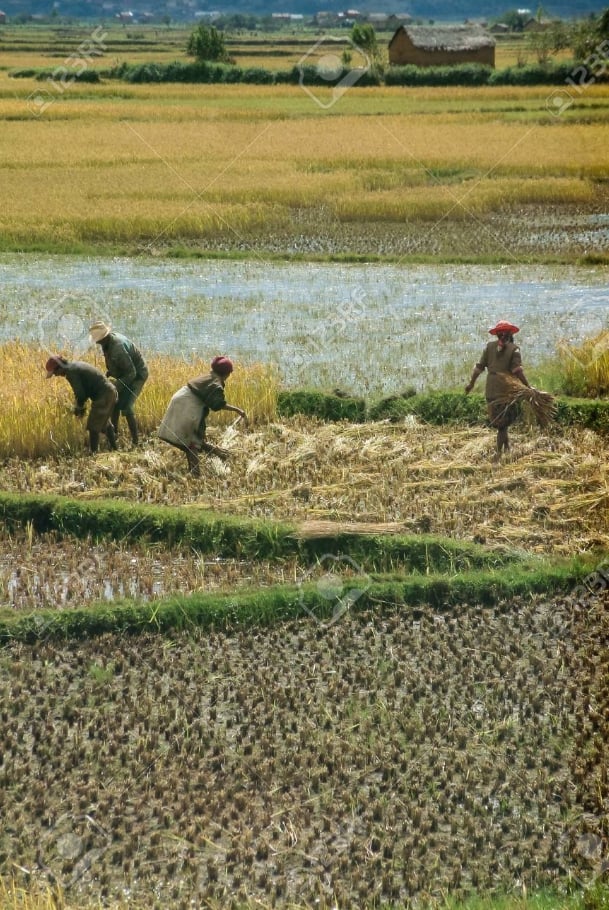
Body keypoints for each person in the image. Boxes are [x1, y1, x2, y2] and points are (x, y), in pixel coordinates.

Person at [158, 355, 247, 476]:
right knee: (192, 442)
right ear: (226, 373)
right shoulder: (216, 383)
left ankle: (212, 455)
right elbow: (217, 405)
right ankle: (195, 474)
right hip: (187, 405)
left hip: (180, 399)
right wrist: (238, 410)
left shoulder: (208, 377)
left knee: (191, 439)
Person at [465, 320, 531, 458]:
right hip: (505, 391)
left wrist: (471, 384)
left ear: (497, 335)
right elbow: (517, 371)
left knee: (502, 423)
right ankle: (500, 454)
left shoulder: (489, 347)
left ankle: (506, 449)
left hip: (490, 390)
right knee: (502, 424)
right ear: (510, 334)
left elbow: (479, 368)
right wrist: (528, 387)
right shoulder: (514, 349)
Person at [89, 322, 149, 447]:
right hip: (124, 374)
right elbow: (118, 363)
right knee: (115, 403)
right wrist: (110, 372)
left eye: (97, 340)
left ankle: (135, 442)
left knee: (126, 406)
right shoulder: (108, 343)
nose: (96, 342)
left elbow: (131, 373)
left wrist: (116, 385)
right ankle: (114, 435)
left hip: (137, 375)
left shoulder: (117, 348)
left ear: (103, 338)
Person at [45, 355, 118, 454]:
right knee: (104, 422)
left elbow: (80, 393)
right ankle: (115, 449)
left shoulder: (71, 372)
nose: (56, 375)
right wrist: (80, 406)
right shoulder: (74, 366)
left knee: (93, 426)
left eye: (55, 373)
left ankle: (94, 454)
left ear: (60, 367)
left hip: (104, 394)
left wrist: (78, 407)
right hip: (109, 391)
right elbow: (84, 391)